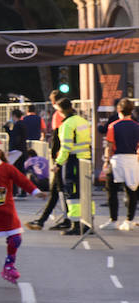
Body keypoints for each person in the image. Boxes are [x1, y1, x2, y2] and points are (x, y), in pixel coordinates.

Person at [0, 134, 42, 284]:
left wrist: (36, 191)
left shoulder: (7, 168)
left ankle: (9, 264)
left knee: (15, 238)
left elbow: (22, 180)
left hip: (6, 211)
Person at [27, 91, 69, 230]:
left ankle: (62, 220)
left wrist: (55, 159)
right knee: (57, 191)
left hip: (60, 158)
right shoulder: (72, 117)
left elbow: (58, 137)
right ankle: (44, 220)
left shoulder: (58, 115)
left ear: (53, 103)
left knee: (59, 190)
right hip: (66, 158)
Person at [55, 98, 93, 236]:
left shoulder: (67, 124)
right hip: (85, 160)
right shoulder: (82, 121)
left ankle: (76, 225)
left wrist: (58, 163)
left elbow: (65, 147)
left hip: (73, 161)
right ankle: (89, 223)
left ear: (60, 110)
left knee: (72, 193)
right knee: (86, 192)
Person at [102, 98, 139, 230]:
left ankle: (114, 220)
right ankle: (129, 220)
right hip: (133, 159)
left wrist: (106, 161)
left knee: (111, 190)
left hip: (117, 159)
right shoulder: (137, 126)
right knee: (132, 190)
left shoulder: (113, 126)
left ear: (119, 110)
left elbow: (109, 145)